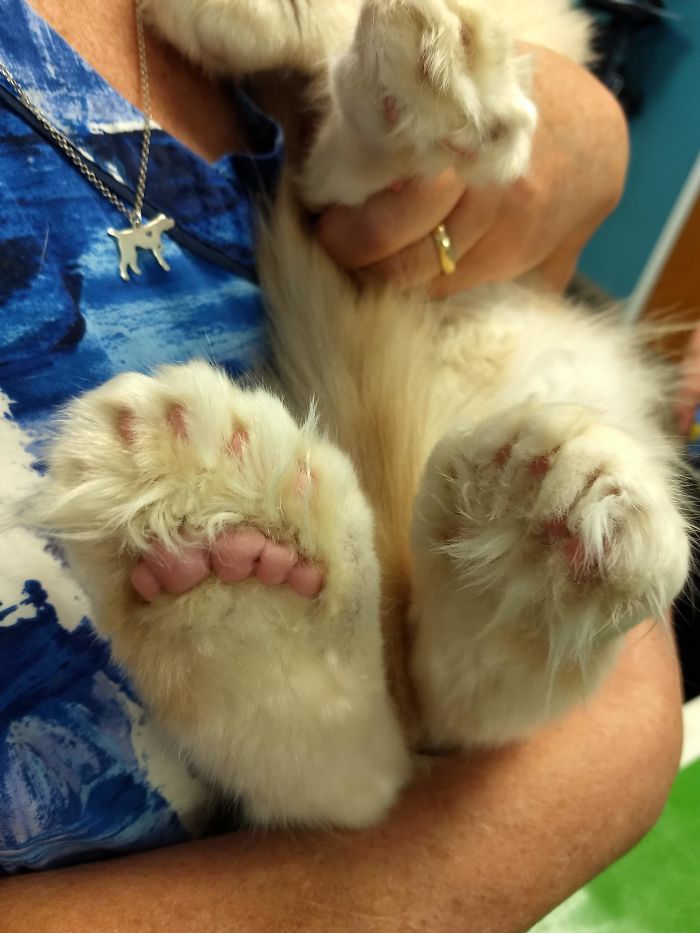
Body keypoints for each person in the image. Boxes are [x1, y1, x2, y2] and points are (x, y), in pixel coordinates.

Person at [0, 0, 682, 930]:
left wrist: (576, 133)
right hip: (392, 821)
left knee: (543, 435)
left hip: (464, 354)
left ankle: (465, 657)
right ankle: (347, 709)